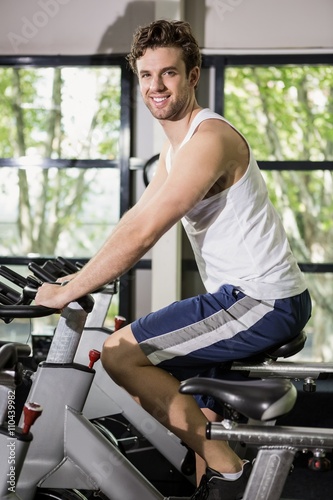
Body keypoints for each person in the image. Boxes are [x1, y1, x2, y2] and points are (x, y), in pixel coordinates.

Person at [35, 19, 312, 500]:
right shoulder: (175, 149)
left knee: (120, 353)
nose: (156, 86)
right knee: (200, 411)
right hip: (250, 298)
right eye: (146, 75)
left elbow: (145, 233)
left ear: (193, 75)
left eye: (168, 73)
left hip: (261, 301)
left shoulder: (209, 140)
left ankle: (233, 475)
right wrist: (79, 276)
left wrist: (67, 293)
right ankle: (218, 481)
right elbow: (134, 218)